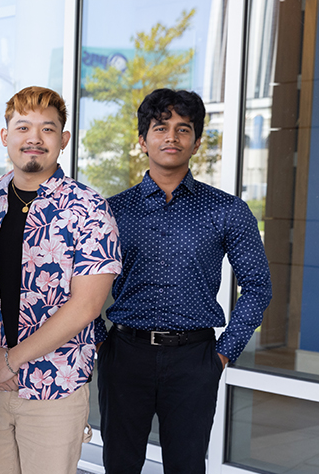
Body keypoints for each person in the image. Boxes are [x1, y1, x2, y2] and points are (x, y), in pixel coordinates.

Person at [99, 88, 272, 473]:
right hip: (125, 355)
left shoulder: (227, 210)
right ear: (143, 140)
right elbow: (79, 281)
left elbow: (258, 286)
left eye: (183, 129)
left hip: (194, 359)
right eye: (161, 128)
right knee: (120, 464)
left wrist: (223, 354)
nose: (172, 138)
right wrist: (101, 343)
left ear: (196, 142)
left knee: (187, 465)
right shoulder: (110, 211)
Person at [0, 86, 121, 474]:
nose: (34, 138)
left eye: (47, 129)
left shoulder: (88, 208)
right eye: (22, 127)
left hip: (56, 387)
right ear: (5, 137)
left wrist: (11, 361)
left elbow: (86, 306)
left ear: (63, 140)